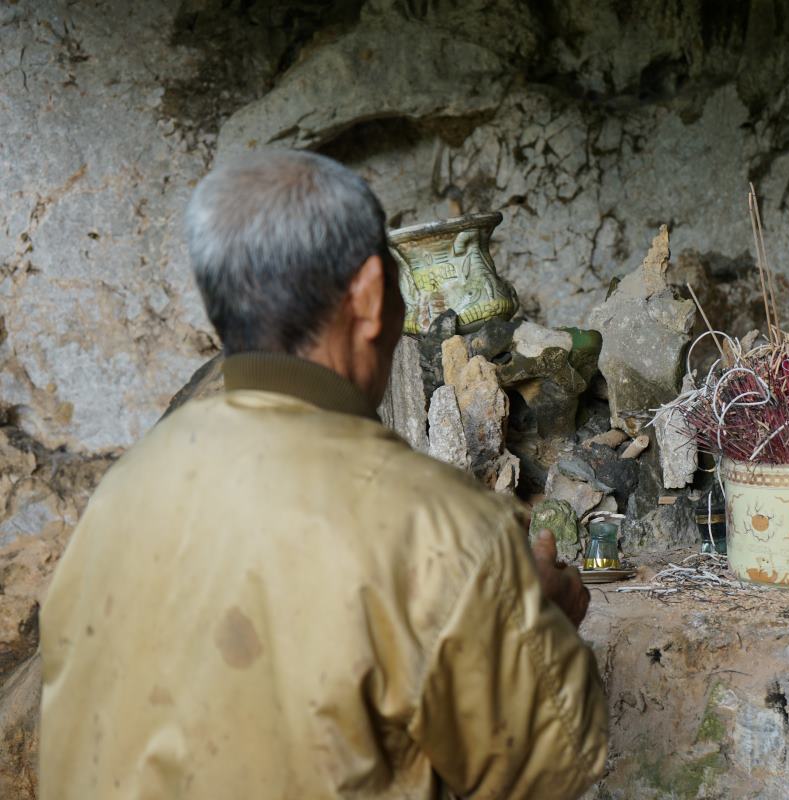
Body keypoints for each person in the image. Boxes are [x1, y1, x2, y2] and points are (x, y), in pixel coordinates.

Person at [38, 151, 608, 799]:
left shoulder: (118, 495)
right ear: (369, 297)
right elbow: (554, 767)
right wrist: (541, 618)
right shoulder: (436, 527)